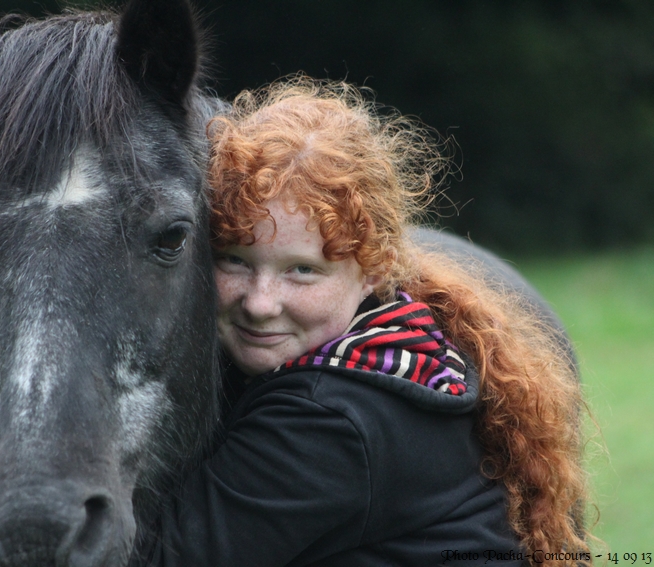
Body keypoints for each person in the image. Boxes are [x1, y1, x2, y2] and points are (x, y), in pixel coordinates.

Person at [138, 77, 591, 566]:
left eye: (303, 270)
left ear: (373, 270)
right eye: (234, 260)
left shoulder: (332, 417)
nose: (260, 303)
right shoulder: (394, 343)